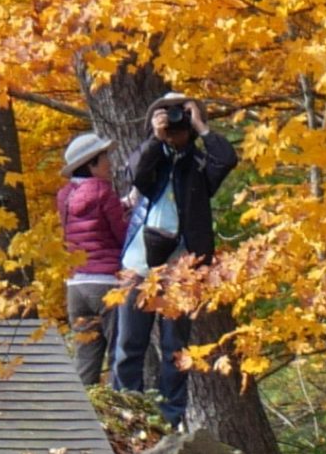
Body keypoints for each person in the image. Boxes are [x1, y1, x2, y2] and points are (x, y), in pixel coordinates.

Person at [115, 93, 237, 428]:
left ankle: (170, 418)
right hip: (139, 264)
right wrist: (157, 138)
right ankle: (127, 412)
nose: (175, 124)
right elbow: (135, 171)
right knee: (130, 343)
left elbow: (226, 159)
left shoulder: (198, 164)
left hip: (183, 268)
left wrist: (201, 126)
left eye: (180, 117)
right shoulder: (152, 157)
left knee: (175, 347)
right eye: (167, 115)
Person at [57, 131, 129, 391]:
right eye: (105, 157)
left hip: (76, 286)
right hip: (106, 283)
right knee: (120, 353)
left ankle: (81, 410)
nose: (110, 162)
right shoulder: (102, 191)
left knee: (85, 358)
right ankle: (122, 407)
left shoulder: (65, 196)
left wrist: (121, 206)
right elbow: (122, 235)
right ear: (91, 164)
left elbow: (87, 225)